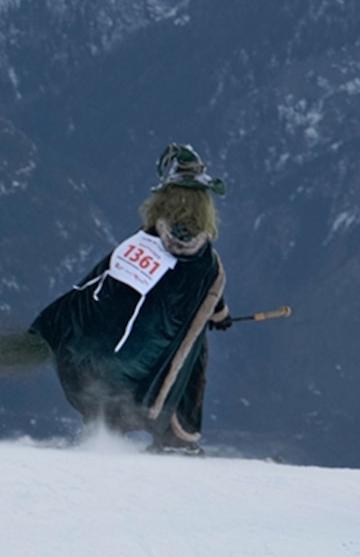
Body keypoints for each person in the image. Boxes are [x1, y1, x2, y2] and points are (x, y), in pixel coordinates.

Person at [25, 143, 233, 452]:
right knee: (193, 351)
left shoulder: (142, 243)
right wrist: (220, 316)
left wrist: (59, 326)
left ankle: (102, 434)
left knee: (112, 361)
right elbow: (205, 302)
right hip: (152, 365)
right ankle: (178, 439)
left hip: (108, 356)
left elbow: (100, 285)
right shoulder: (205, 263)